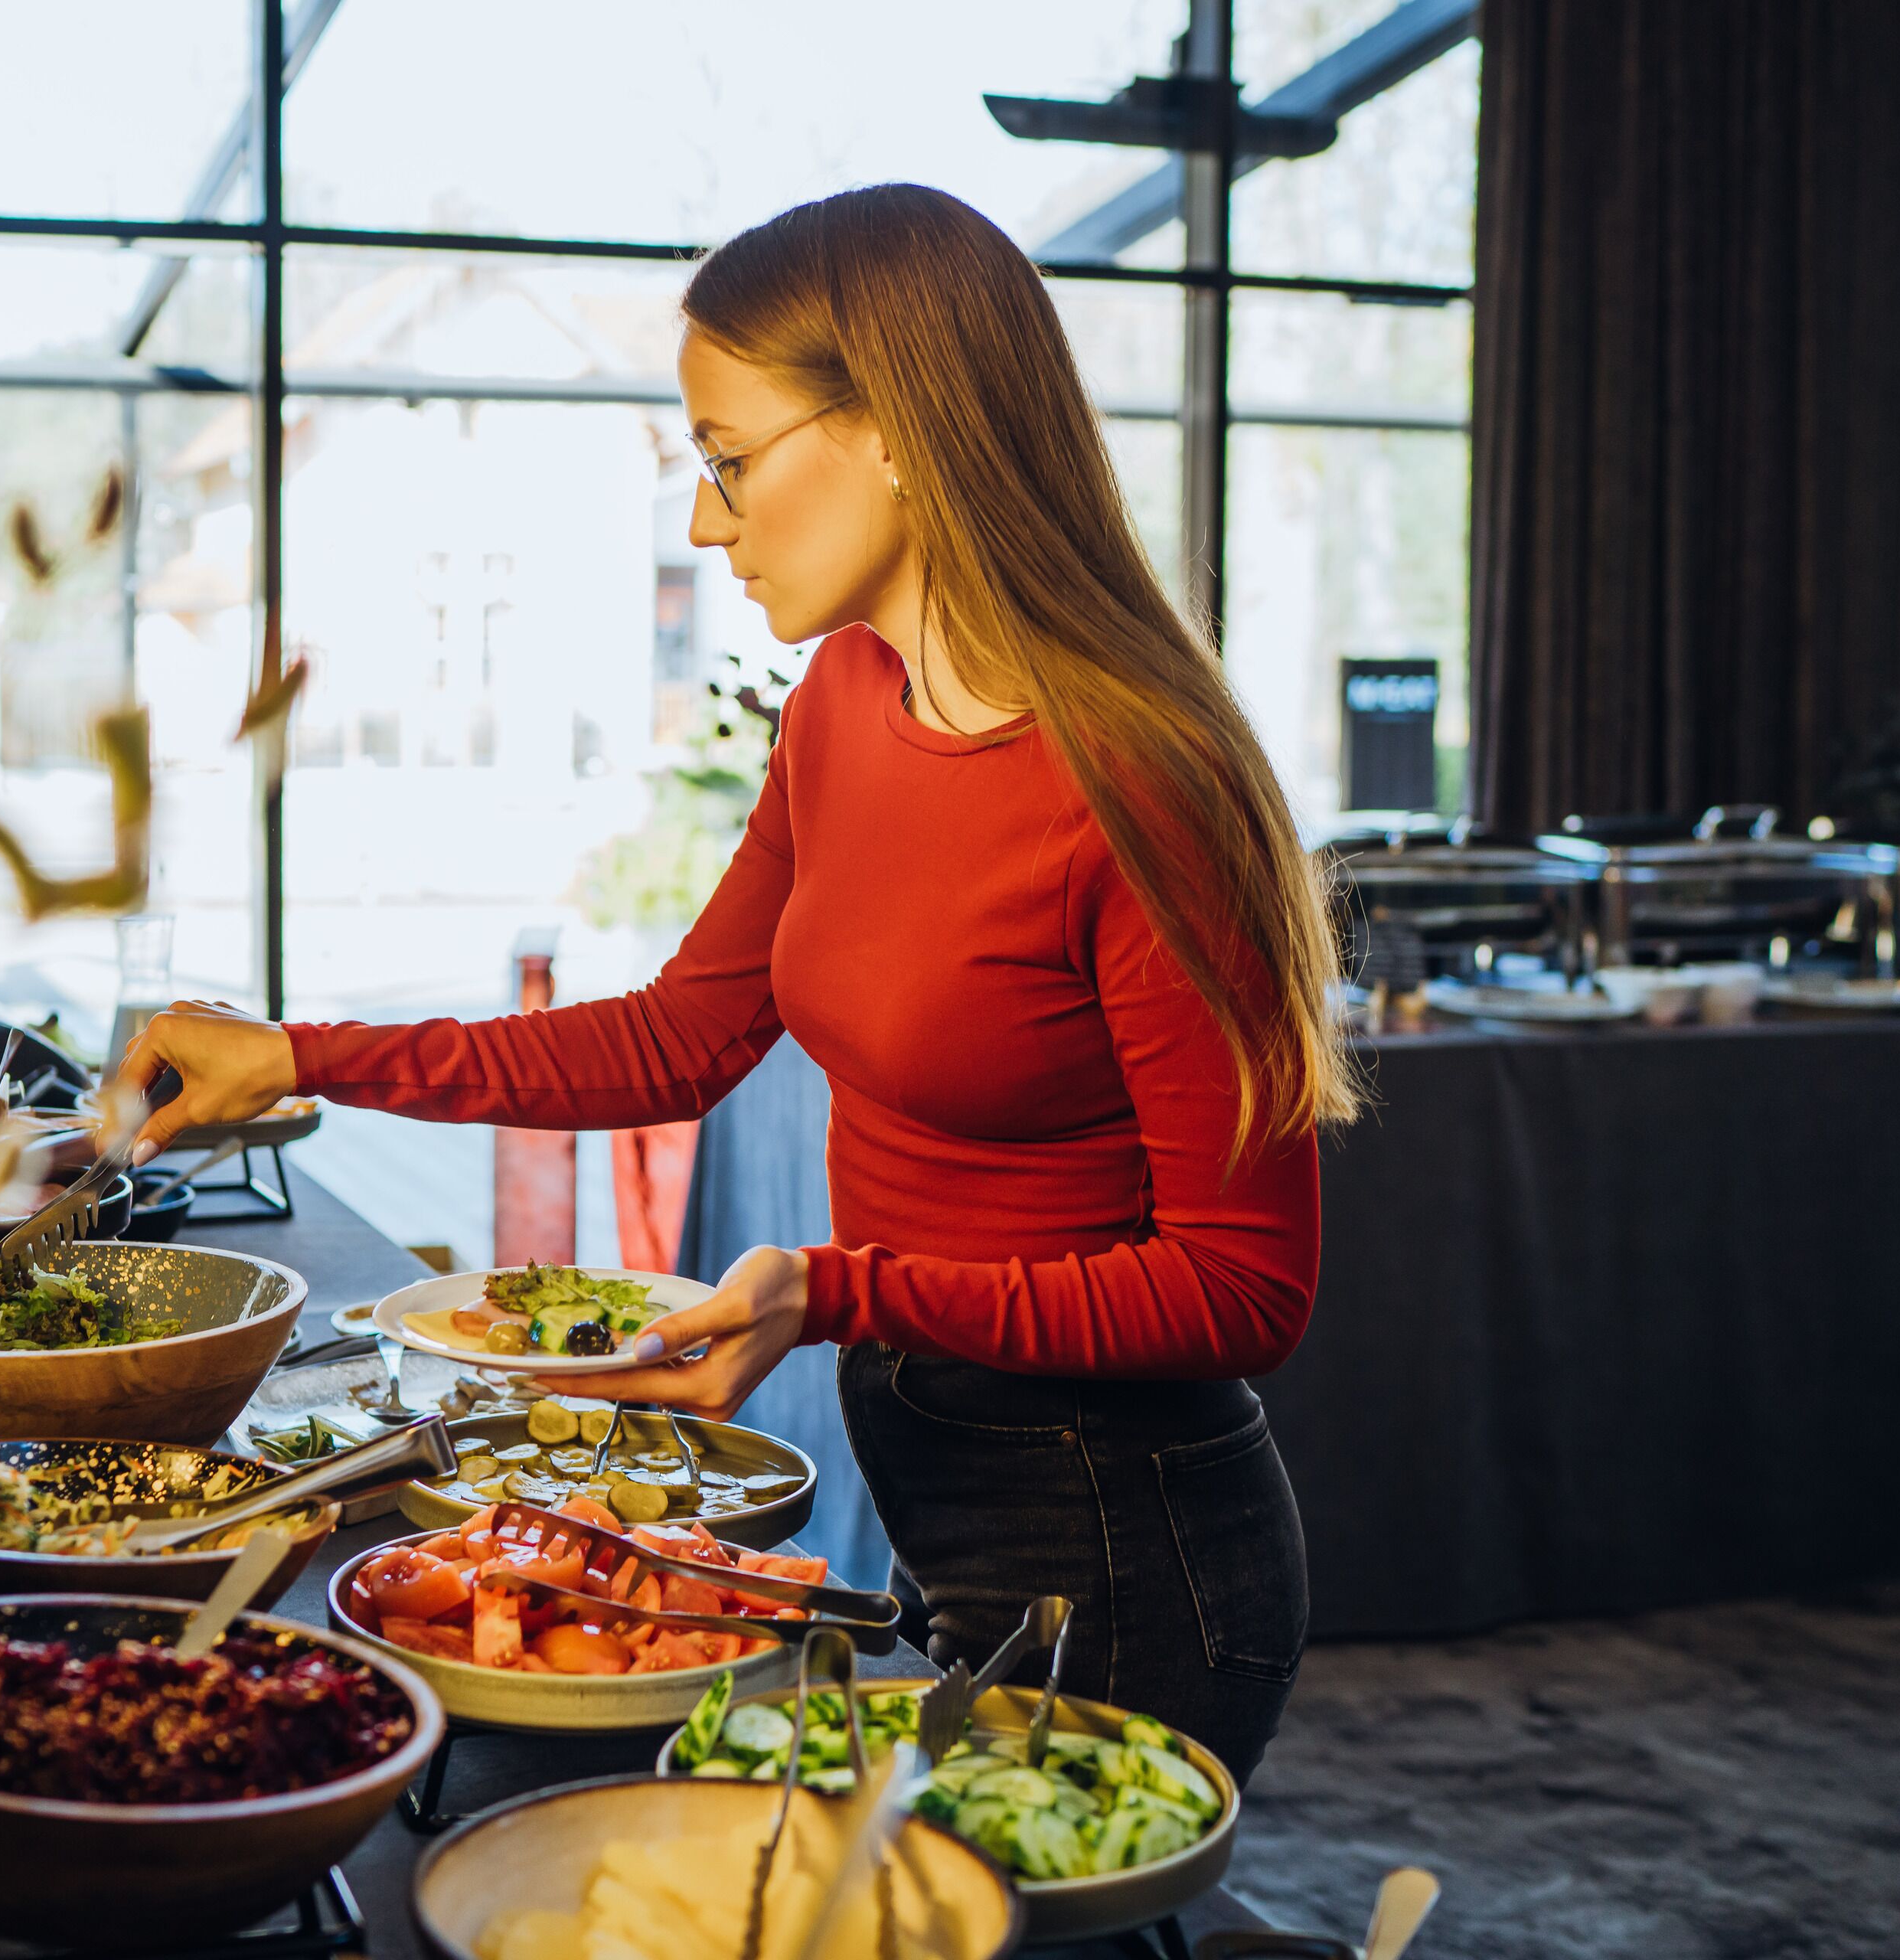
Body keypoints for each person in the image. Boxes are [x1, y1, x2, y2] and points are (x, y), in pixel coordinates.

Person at [111, 184, 1353, 1783]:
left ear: (896, 426)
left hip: (1127, 1539)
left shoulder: (1141, 777)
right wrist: (296, 1052)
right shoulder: (843, 696)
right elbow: (683, 1035)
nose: (707, 522)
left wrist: (836, 1287)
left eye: (730, 459)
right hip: (935, 1473)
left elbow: (1247, 1288)